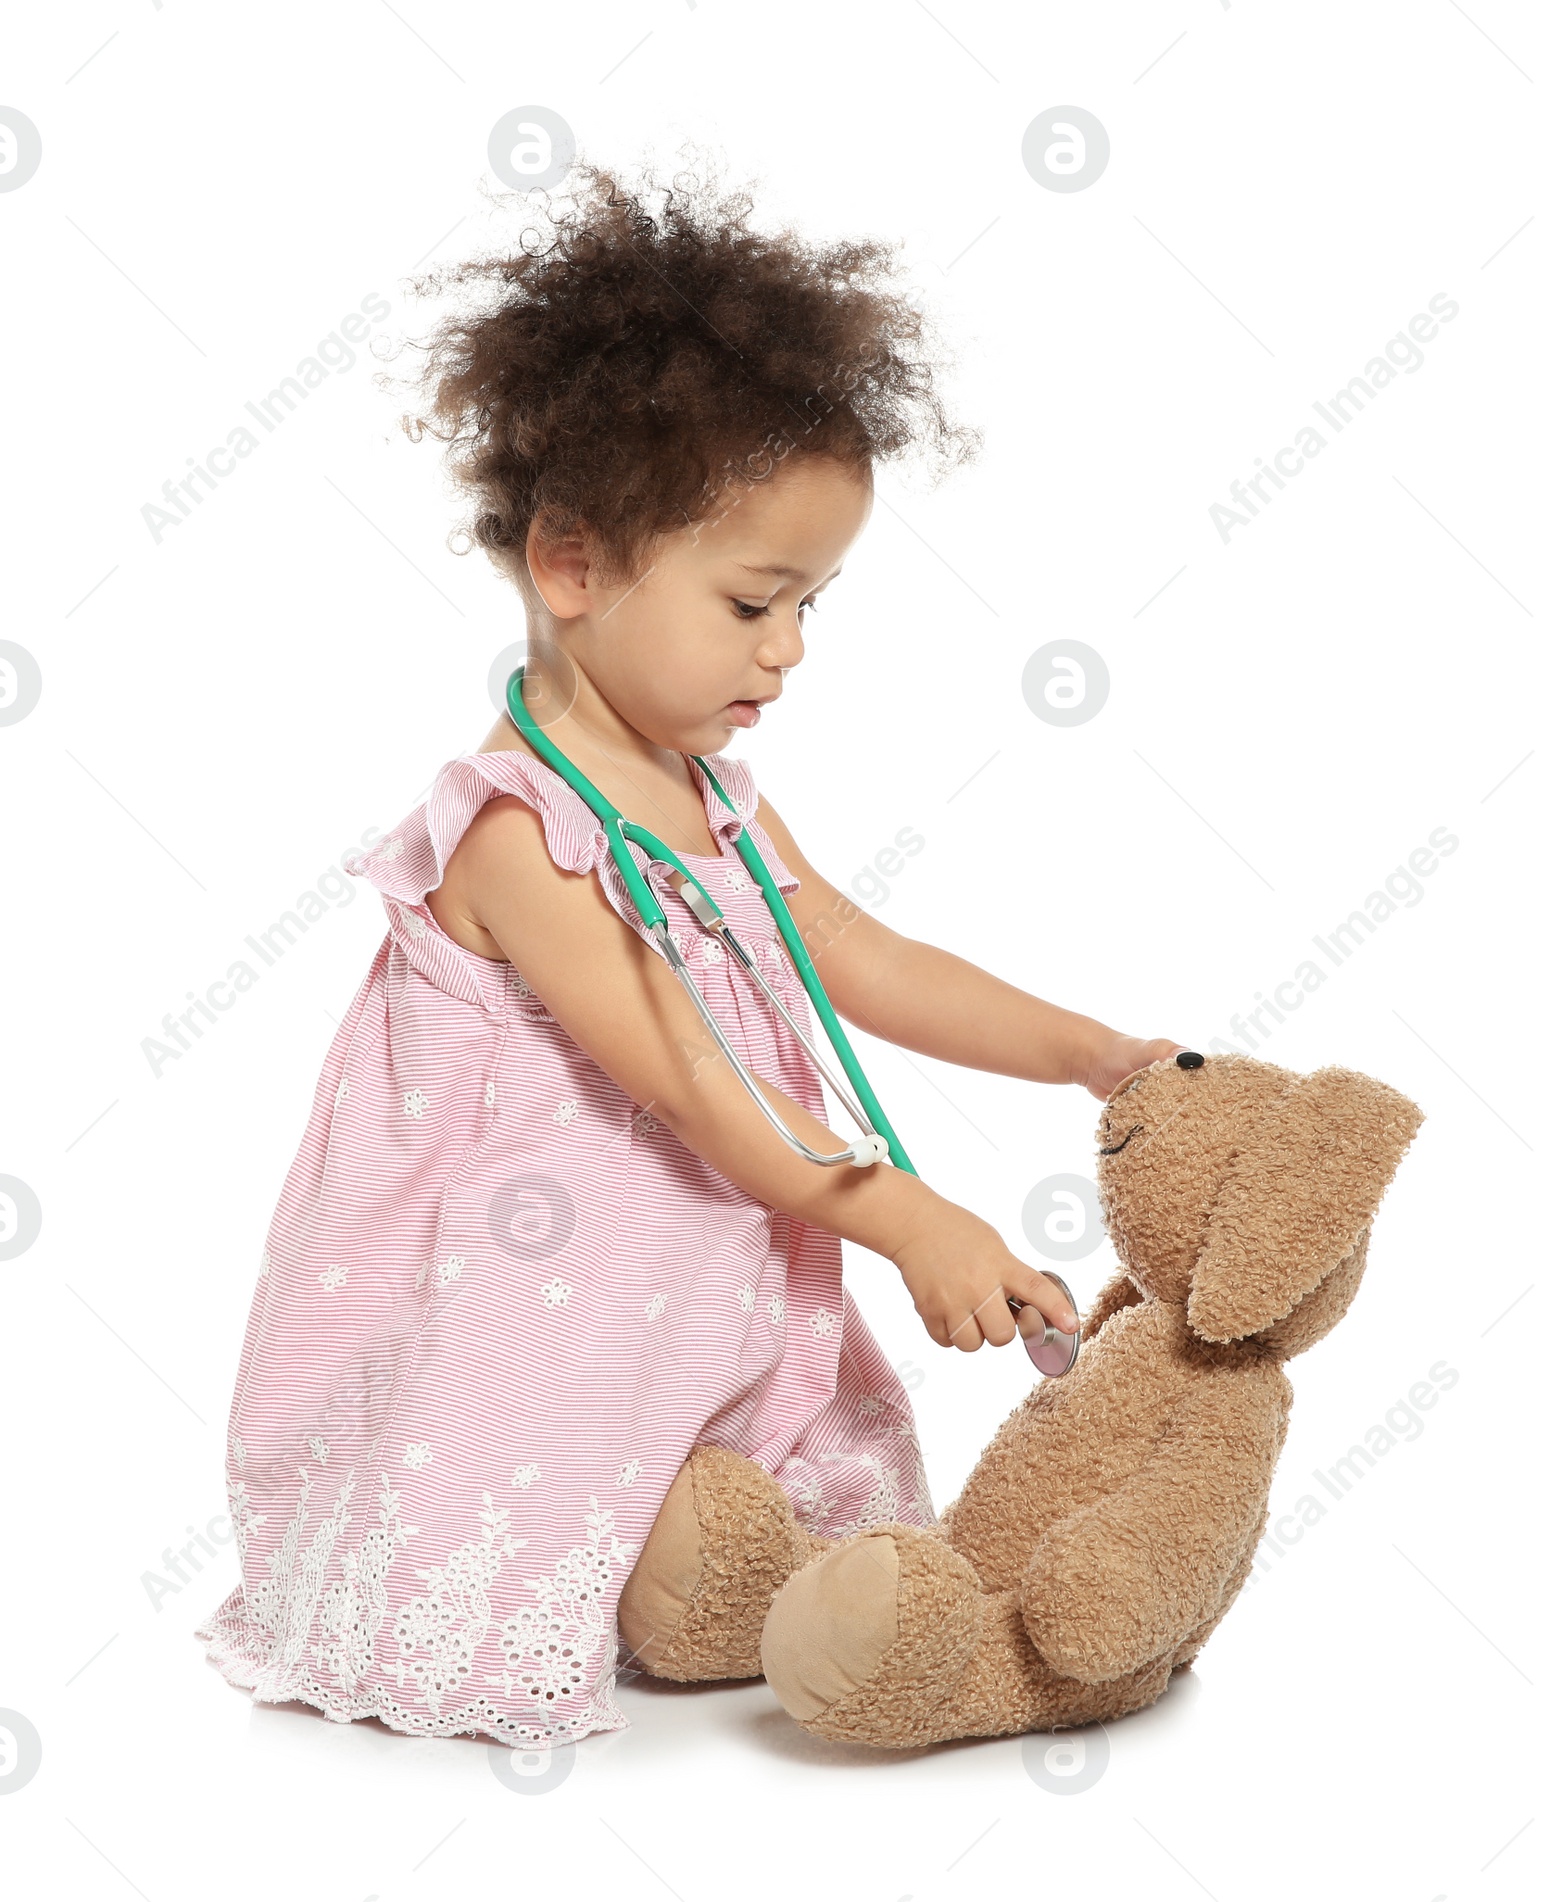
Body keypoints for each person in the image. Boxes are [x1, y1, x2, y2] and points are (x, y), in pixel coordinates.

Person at [194, 156, 1186, 1750]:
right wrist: (912, 1220)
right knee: (565, 1488)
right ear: (573, 563)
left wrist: (1093, 1050)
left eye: (813, 606)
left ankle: (736, 1580)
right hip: (545, 1310)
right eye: (753, 600)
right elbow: (707, 1090)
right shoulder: (521, 838)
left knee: (759, 1534)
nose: (788, 650)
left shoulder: (718, 798)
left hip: (710, 1279)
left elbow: (850, 952)